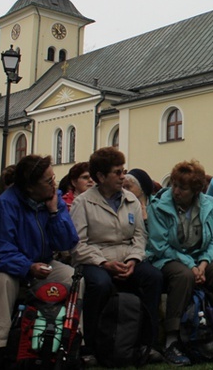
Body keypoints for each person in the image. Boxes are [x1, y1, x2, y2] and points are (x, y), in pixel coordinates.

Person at [0, 155, 79, 367]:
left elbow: (67, 241)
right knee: (5, 282)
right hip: (0, 264)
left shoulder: (53, 200)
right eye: (48, 181)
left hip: (40, 262)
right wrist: (27, 267)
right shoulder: (6, 204)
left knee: (73, 278)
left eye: (54, 178)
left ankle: (69, 341)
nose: (54, 185)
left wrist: (54, 213)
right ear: (30, 187)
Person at [148, 160, 213, 365]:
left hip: (202, 256)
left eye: (182, 188)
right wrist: (191, 265)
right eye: (174, 185)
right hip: (168, 257)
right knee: (183, 275)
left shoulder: (209, 204)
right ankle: (172, 339)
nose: (176, 191)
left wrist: (203, 263)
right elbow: (160, 244)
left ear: (196, 190)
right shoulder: (158, 205)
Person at [70, 148, 163, 359]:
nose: (123, 177)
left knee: (153, 277)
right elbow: (78, 245)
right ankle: (91, 347)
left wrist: (133, 260)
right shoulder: (82, 203)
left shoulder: (131, 200)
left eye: (124, 171)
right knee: (99, 284)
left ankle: (148, 344)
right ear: (101, 177)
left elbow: (140, 236)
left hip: (128, 258)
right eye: (118, 172)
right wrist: (104, 263)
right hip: (95, 260)